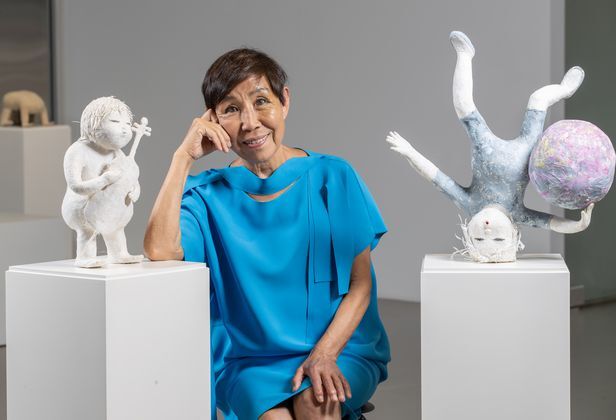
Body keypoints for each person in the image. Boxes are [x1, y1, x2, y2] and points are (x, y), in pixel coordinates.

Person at [144, 48, 390, 419]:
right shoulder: (206, 195)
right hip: (249, 360)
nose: (250, 123)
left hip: (341, 346)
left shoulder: (334, 176)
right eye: (231, 109)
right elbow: (160, 249)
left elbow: (360, 285)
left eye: (261, 102)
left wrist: (324, 355)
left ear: (284, 101)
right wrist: (182, 158)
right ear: (213, 120)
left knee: (316, 403)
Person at [386, 31, 593, 262]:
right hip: (526, 152)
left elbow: (436, 177)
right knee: (538, 99)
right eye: (498, 239)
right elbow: (551, 223)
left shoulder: (470, 204)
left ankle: (465, 54)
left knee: (463, 104)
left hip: (485, 147)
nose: (487, 232)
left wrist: (409, 152)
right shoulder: (517, 215)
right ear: (514, 233)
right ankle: (564, 90)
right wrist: (578, 226)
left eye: (479, 239)